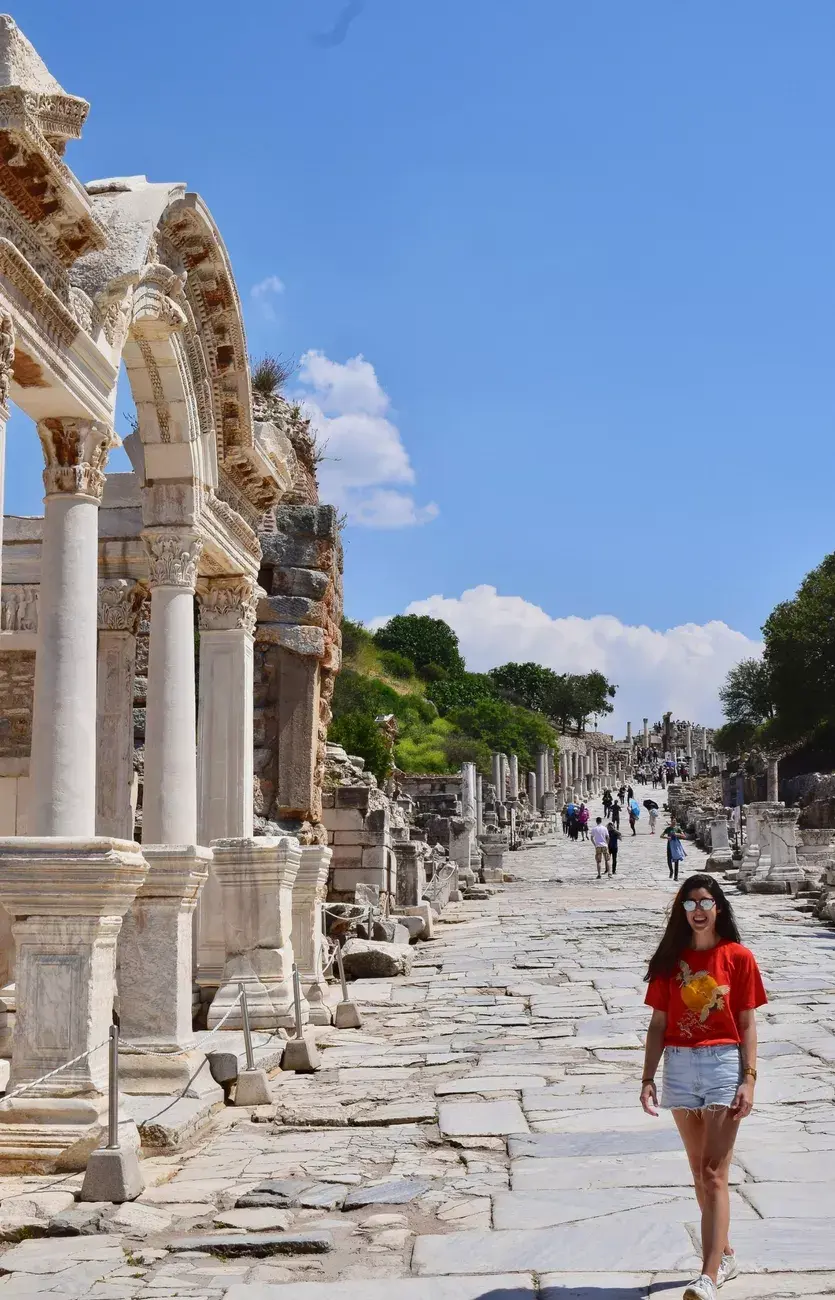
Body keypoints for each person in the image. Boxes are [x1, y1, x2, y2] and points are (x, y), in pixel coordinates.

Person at [640, 875, 766, 1300]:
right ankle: (725, 1253)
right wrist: (647, 1079)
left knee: (714, 1172)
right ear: (682, 912)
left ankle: (707, 1275)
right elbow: (658, 1024)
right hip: (678, 1064)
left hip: (722, 1065)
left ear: (718, 908)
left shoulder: (739, 957)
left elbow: (747, 1023)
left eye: (705, 902)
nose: (697, 910)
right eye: (689, 903)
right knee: (698, 1172)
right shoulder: (669, 961)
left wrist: (749, 1078)